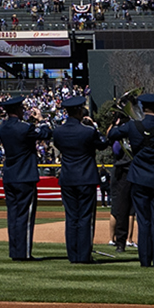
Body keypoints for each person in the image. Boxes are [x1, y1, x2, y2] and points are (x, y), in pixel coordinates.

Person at [117, 96, 154, 266]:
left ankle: (144, 259)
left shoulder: (132, 127)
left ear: (143, 109)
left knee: (143, 220)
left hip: (138, 179)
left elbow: (112, 134)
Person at [48, 97, 105, 263]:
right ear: (80, 111)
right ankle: (84, 255)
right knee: (86, 217)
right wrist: (93, 126)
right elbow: (101, 144)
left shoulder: (58, 131)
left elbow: (59, 146)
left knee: (71, 218)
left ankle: (73, 255)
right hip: (86, 177)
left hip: (67, 177)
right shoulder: (88, 131)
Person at [0, 95, 41, 259]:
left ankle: (15, 251)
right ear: (18, 109)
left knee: (13, 216)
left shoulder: (3, 127)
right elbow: (45, 133)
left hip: (10, 175)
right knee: (25, 217)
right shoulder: (25, 127)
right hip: (25, 175)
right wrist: (40, 120)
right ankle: (24, 253)